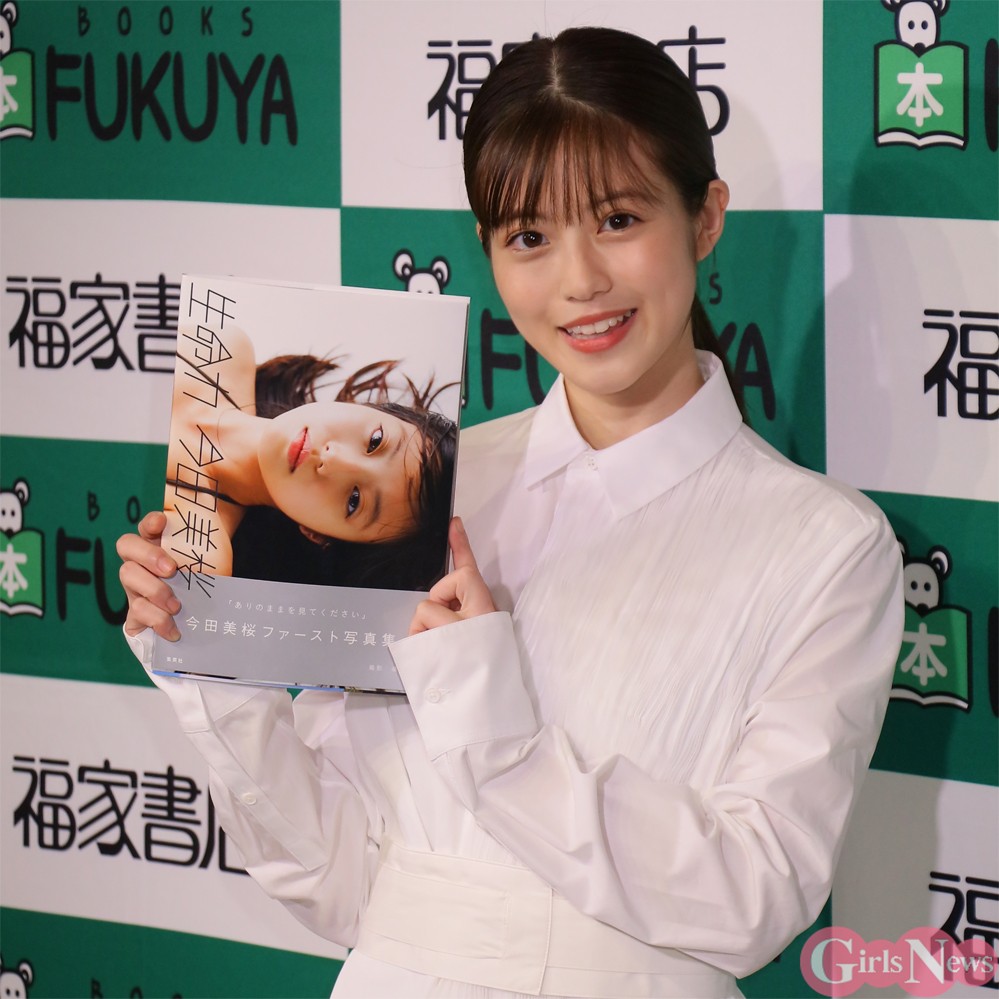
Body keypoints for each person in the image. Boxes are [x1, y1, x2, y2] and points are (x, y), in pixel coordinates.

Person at [117, 26, 903, 999]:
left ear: (705, 218)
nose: (580, 281)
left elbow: (755, 901)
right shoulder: (426, 497)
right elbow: (339, 881)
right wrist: (211, 655)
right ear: (488, 252)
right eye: (529, 237)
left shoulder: (827, 546)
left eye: (618, 219)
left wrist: (490, 727)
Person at [163, 323, 457, 595]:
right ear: (368, 407)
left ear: (317, 534)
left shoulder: (197, 555)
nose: (333, 458)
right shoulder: (218, 346)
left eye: (354, 501)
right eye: (375, 441)